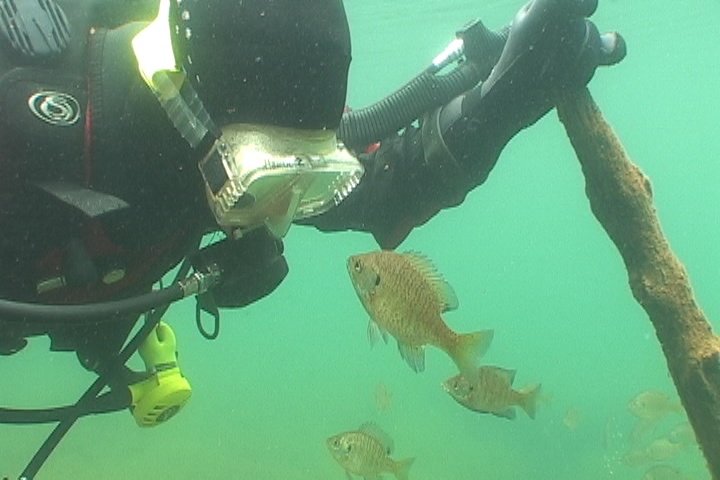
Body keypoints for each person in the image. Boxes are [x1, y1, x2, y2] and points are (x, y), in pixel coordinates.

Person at [0, 0, 624, 426]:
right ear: (183, 114)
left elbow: (381, 187)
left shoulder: (221, 146)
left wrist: (504, 102)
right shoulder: (28, 137)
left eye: (312, 181)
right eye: (268, 179)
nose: (281, 217)